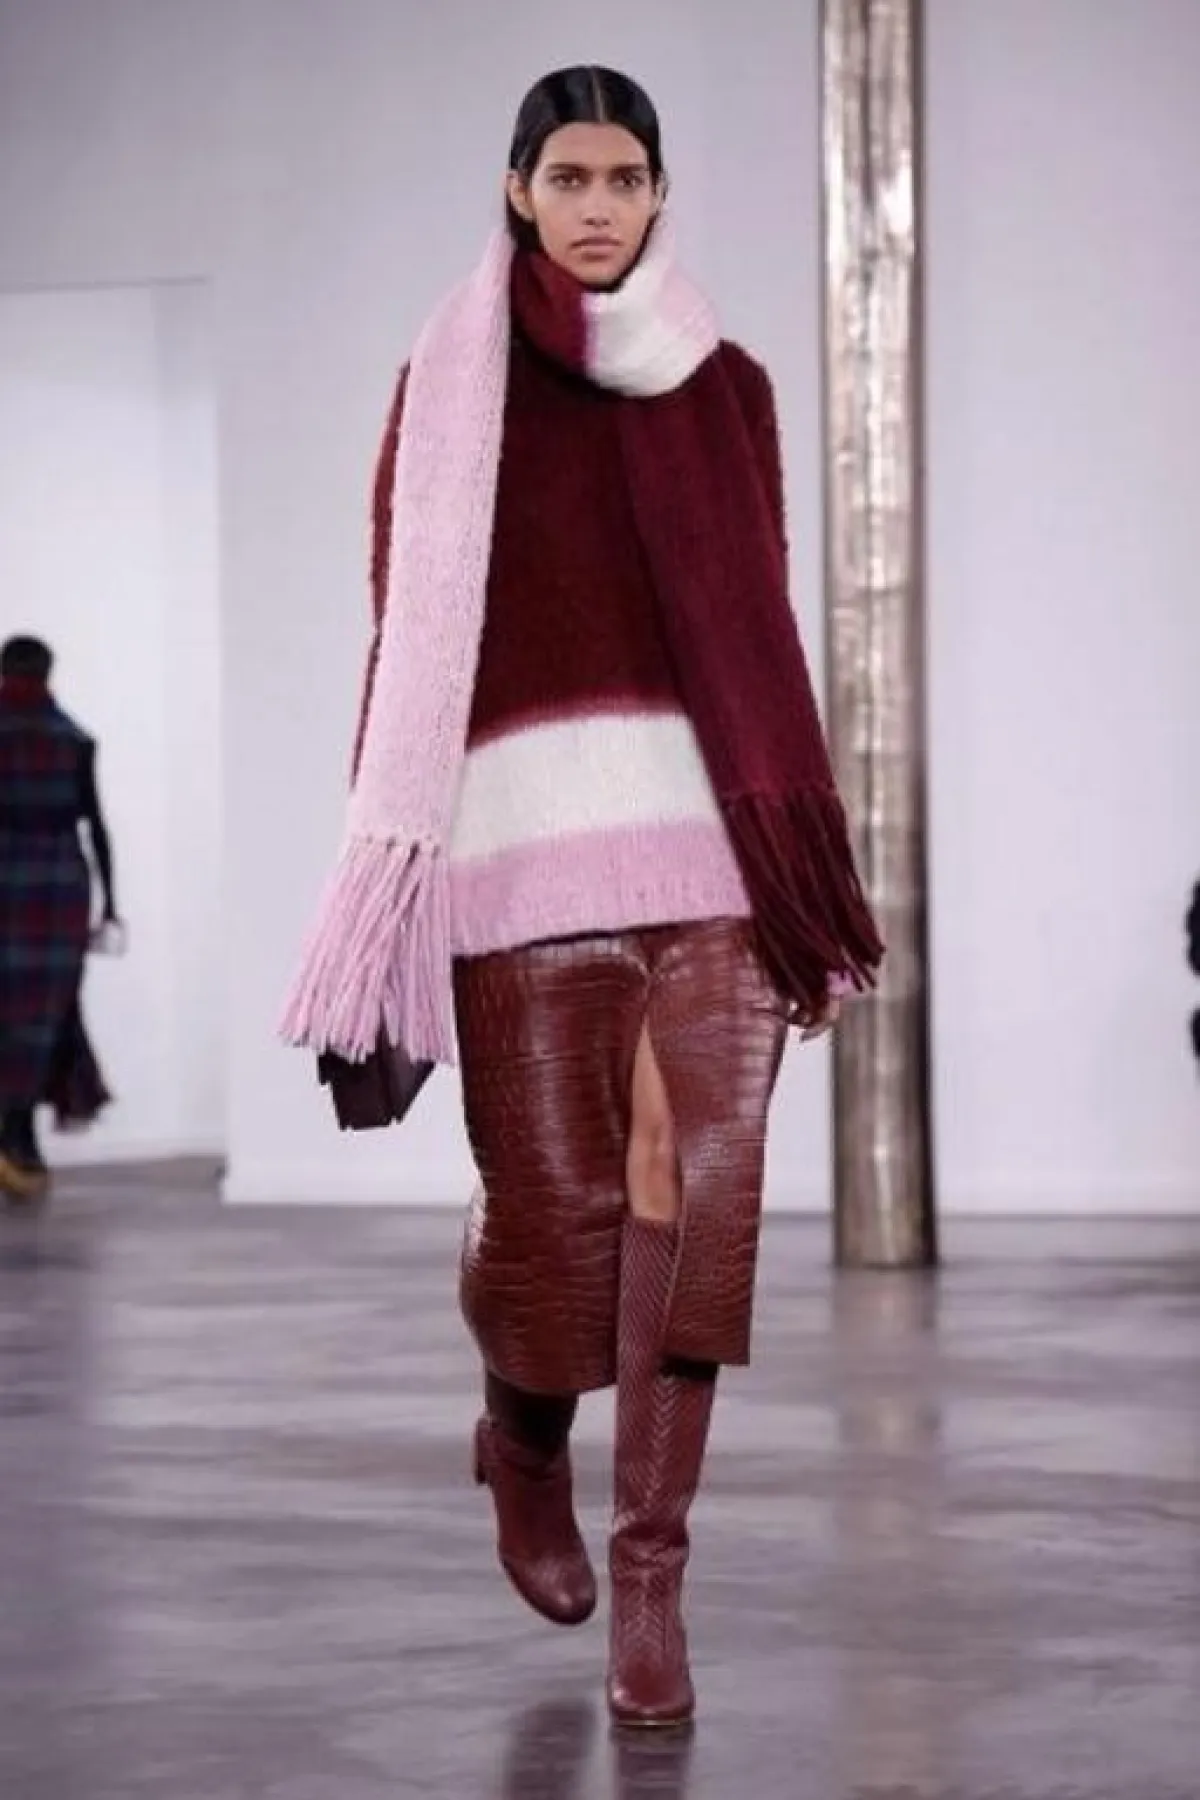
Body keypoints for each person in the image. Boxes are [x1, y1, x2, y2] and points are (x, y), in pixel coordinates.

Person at [282, 67, 883, 1728]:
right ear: (519, 191)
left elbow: (757, 625)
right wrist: (390, 861)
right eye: (571, 178)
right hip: (517, 848)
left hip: (710, 851)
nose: (600, 205)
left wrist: (789, 845)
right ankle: (523, 1430)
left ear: (659, 192)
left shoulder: (730, 388)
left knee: (693, 1197)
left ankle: (654, 1579)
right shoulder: (448, 382)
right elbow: (408, 627)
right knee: (554, 1229)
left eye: (625, 177)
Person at [0, 635, 117, 1199]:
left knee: (13, 1010)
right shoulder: (73, 738)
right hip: (59, 887)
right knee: (48, 1012)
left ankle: (15, 1134)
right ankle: (19, 1134)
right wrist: (112, 905)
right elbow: (95, 825)